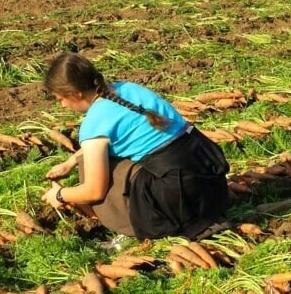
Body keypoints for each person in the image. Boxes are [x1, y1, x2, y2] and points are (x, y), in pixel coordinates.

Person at [41, 52, 230, 241]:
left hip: (181, 205)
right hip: (214, 189)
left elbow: (94, 190)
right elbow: (122, 131)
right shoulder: (128, 89)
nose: (62, 106)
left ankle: (129, 224)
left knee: (91, 168)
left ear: (75, 94)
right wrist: (70, 161)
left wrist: (60, 195)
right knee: (88, 157)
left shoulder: (93, 124)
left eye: (60, 99)